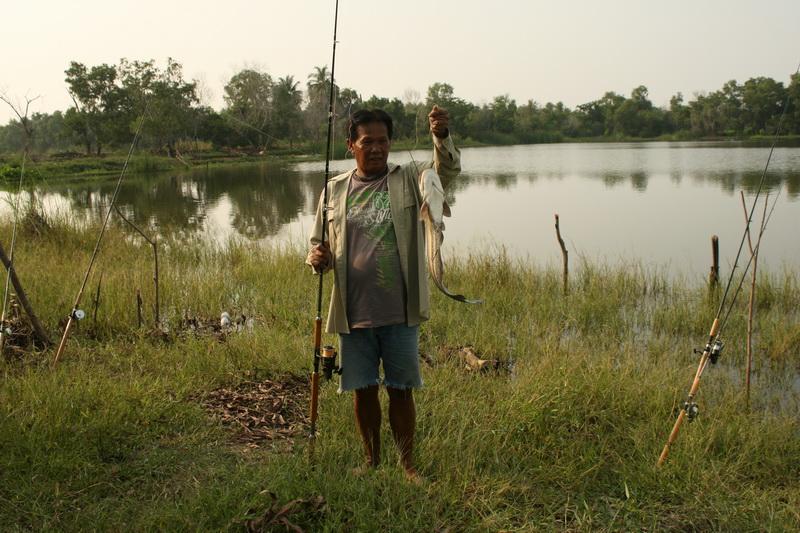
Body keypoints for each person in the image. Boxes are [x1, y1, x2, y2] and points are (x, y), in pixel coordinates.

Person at [306, 105, 461, 480]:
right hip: (353, 311)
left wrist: (440, 135)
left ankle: (407, 466)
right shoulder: (333, 190)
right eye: (367, 142)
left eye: (383, 141)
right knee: (363, 391)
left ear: (390, 143)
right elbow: (317, 249)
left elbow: (445, 171)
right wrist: (316, 258)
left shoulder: (409, 177)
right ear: (351, 145)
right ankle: (372, 462)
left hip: (399, 310)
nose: (376, 149)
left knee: (402, 390)